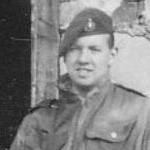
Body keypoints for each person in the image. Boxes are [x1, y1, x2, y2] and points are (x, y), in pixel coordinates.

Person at [10, 8, 150, 150]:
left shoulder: (140, 111)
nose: (83, 59)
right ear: (64, 57)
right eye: (74, 49)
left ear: (111, 55)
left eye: (94, 49)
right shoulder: (40, 119)